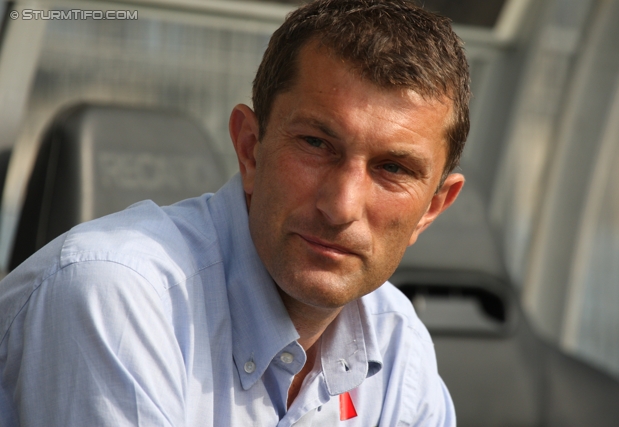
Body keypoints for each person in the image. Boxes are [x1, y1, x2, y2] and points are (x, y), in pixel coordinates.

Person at [0, 0, 469, 425]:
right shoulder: (114, 295)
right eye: (315, 144)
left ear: (432, 208)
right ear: (249, 149)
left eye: (392, 168)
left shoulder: (396, 339)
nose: (341, 206)